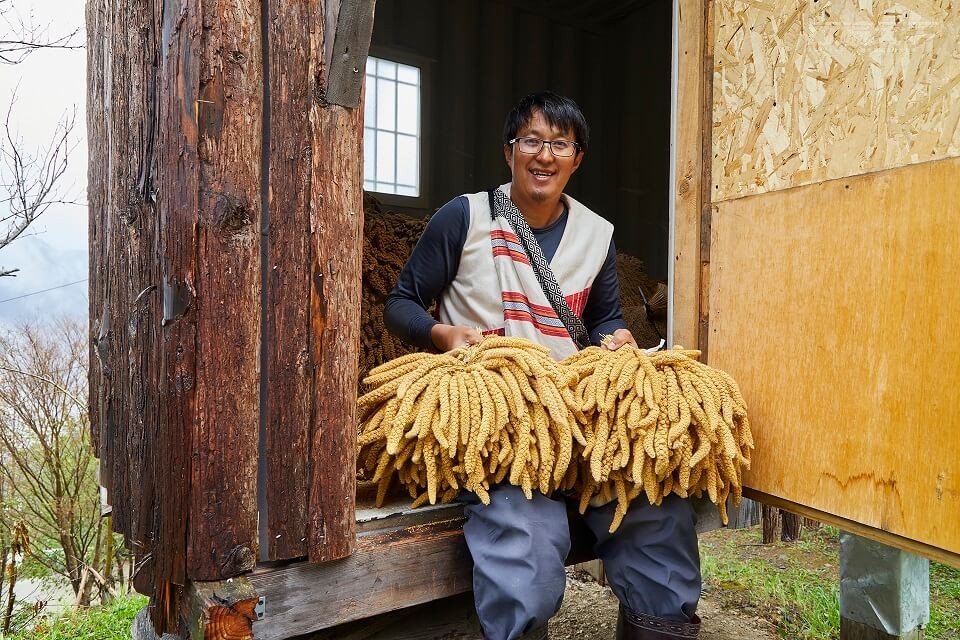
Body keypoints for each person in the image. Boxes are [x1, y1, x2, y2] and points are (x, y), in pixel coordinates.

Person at [383, 92, 701, 640]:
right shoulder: (465, 217)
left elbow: (601, 319)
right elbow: (399, 303)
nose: (544, 156)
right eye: (531, 141)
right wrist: (442, 332)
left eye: (560, 144)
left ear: (577, 159)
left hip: (576, 421)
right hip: (500, 427)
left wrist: (615, 338)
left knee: (657, 516)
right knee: (524, 545)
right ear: (509, 151)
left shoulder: (596, 235)